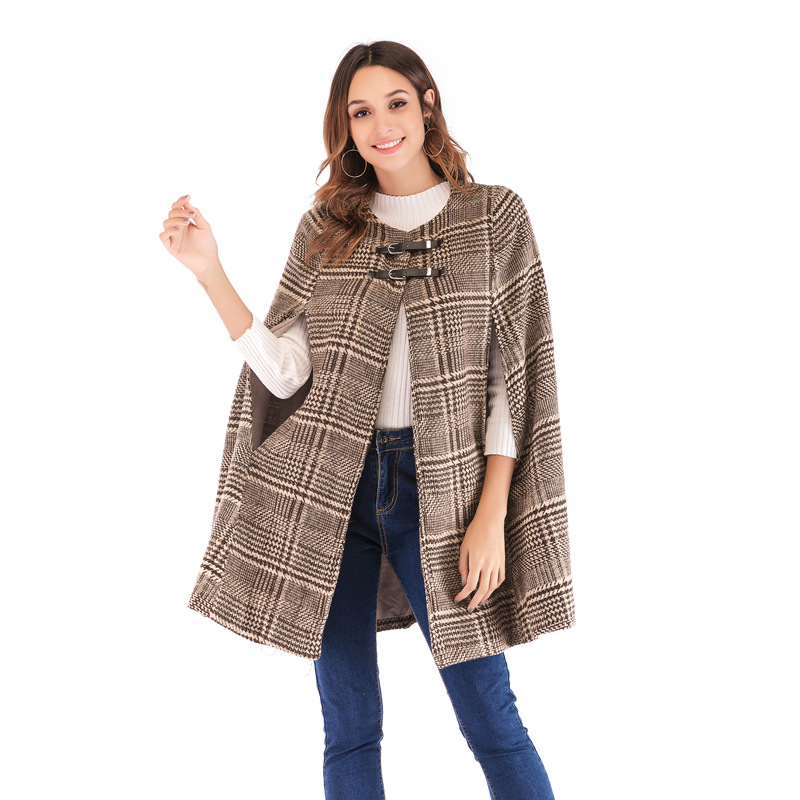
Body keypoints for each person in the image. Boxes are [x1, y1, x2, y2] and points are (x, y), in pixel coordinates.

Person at [160, 40, 573, 800]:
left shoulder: (494, 217)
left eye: (396, 103)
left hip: (446, 490)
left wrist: (490, 513)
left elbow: (512, 383)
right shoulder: (328, 227)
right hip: (333, 489)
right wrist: (209, 271)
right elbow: (289, 371)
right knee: (348, 725)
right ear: (344, 127)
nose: (382, 125)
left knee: (491, 718)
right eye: (361, 112)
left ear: (427, 104)